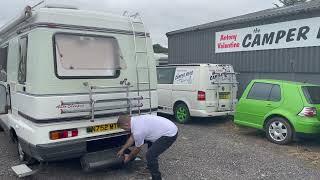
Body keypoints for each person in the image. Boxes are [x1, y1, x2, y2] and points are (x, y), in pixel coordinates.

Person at [117, 114, 178, 180]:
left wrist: (129, 157)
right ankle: (150, 167)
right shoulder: (134, 120)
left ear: (126, 124)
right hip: (168, 127)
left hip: (170, 134)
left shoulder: (138, 131)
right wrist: (123, 149)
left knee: (150, 155)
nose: (125, 130)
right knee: (150, 144)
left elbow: (137, 148)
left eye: (124, 128)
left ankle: (157, 178)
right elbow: (132, 137)